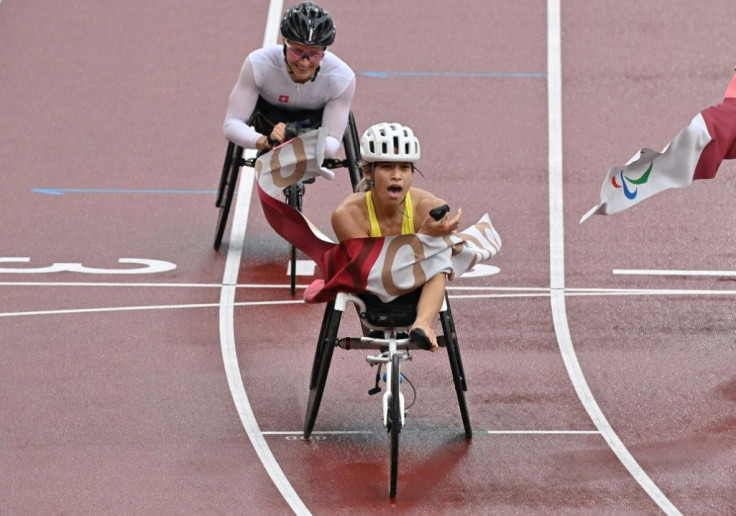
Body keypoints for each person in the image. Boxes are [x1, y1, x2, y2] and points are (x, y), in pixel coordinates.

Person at [330, 122, 463, 352]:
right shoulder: (346, 214)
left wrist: (448, 238)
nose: (397, 176)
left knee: (442, 258)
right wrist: (424, 237)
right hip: (372, 288)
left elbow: (454, 249)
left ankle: (421, 327)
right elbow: (370, 268)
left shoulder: (429, 206)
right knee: (435, 252)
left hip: (416, 288)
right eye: (387, 167)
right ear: (368, 172)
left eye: (404, 167)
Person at [223, 2, 355, 158]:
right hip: (267, 122)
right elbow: (232, 124)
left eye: (314, 54)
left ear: (324, 51)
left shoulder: (342, 78)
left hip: (312, 129)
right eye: (297, 51)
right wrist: (264, 141)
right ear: (283, 42)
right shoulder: (258, 64)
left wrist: (300, 139)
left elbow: (332, 144)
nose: (304, 62)